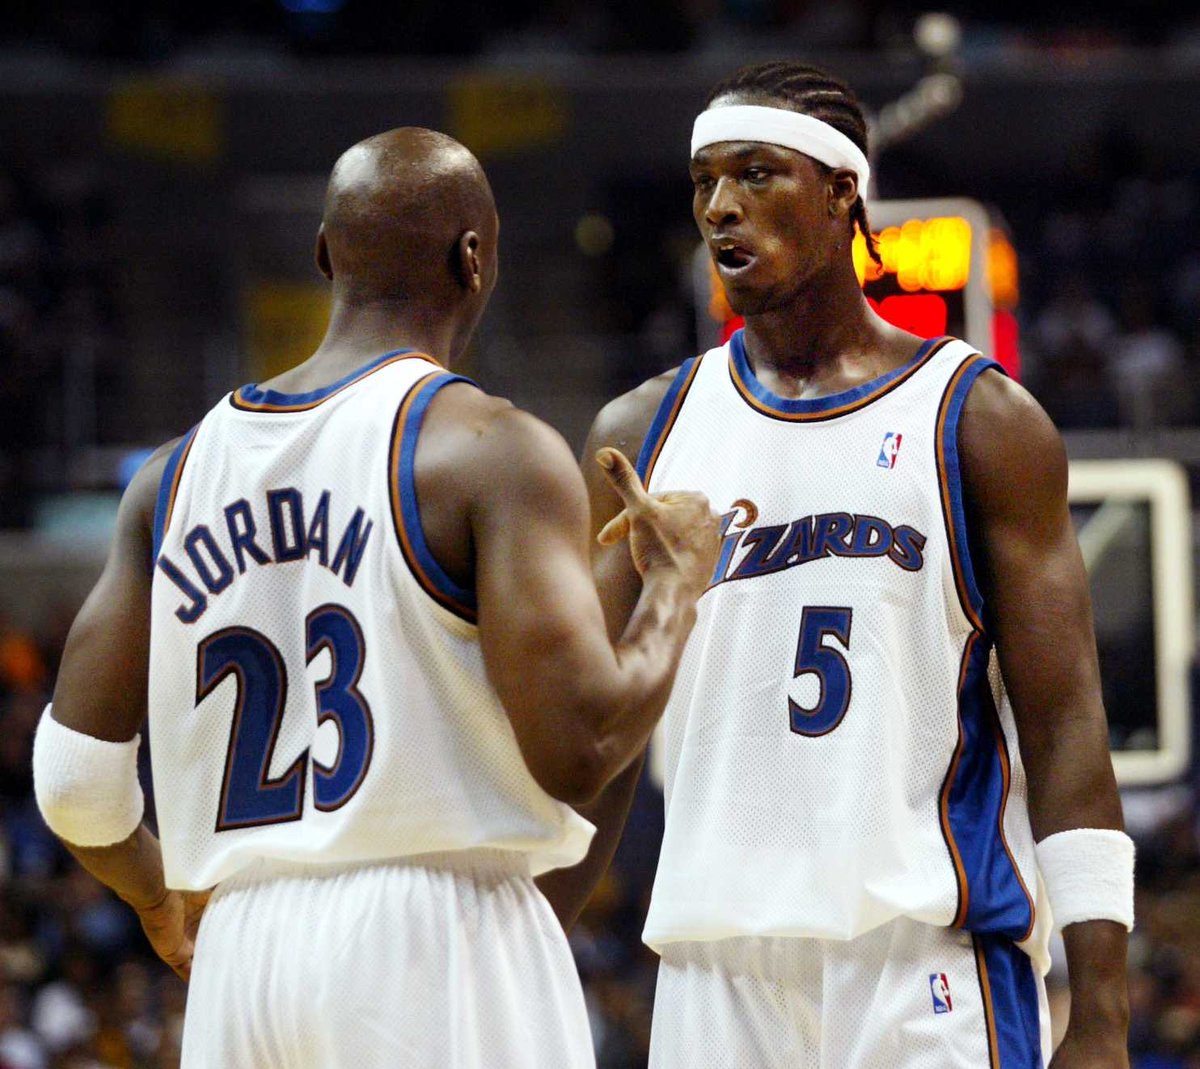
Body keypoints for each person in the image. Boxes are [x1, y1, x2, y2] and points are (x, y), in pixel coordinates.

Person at [31, 127, 719, 1068]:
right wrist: (674, 585)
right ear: (473, 259)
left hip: (240, 954)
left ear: (325, 256)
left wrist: (156, 895)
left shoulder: (171, 478)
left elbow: (75, 784)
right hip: (433, 938)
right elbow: (582, 747)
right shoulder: (488, 447)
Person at [576, 62, 1133, 1068]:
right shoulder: (642, 432)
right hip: (714, 970)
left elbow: (1064, 725)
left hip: (924, 964)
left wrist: (1099, 1013)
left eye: (756, 173)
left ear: (842, 193)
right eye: (704, 182)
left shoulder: (979, 419)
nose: (720, 206)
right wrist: (527, 933)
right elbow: (596, 737)